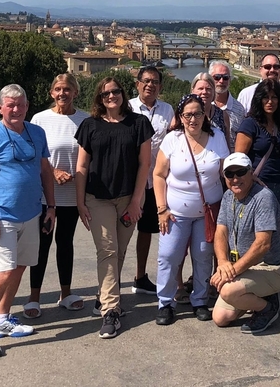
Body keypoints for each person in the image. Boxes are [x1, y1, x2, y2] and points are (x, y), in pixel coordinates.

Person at [0, 84, 55, 358]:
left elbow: (45, 171)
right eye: (10, 104)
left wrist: (50, 206)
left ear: (27, 107)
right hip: (1, 216)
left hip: (31, 213)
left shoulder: (37, 133)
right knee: (3, 272)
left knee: (20, 267)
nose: (15, 109)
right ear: (1, 107)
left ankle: (2, 317)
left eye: (20, 104)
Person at [75, 76, 151, 339]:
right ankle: (111, 311)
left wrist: (136, 200)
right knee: (107, 250)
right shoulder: (90, 125)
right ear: (99, 98)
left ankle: (103, 296)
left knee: (119, 251)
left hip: (129, 197)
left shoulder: (139, 124)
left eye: (116, 92)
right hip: (98, 198)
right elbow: (82, 167)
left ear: (123, 94)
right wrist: (80, 201)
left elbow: (144, 165)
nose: (111, 96)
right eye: (106, 93)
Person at [153, 94, 229, 325]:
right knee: (168, 256)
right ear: (181, 117)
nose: (193, 119)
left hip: (208, 212)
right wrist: (161, 209)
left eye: (197, 113)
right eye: (188, 114)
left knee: (204, 255)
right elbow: (158, 174)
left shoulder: (217, 138)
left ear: (204, 114)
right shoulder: (172, 140)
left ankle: (200, 300)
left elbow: (227, 172)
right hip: (175, 213)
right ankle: (165, 302)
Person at [26, 74, 90, 317]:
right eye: (58, 89)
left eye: (67, 89)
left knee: (65, 243)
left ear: (75, 92)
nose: (62, 94)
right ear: (51, 93)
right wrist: (53, 172)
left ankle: (66, 293)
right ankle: (34, 297)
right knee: (41, 245)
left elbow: (88, 155)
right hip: (44, 195)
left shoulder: (85, 119)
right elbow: (33, 154)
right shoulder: (40, 119)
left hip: (73, 195)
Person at [210, 153, 280, 334]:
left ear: (251, 173)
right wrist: (223, 264)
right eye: (230, 174)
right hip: (245, 268)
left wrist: (231, 272)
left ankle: (268, 307)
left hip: (271, 268)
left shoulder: (263, 198)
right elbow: (221, 231)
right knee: (220, 318)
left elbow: (263, 244)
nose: (235, 178)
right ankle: (257, 295)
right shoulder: (228, 196)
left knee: (228, 291)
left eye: (241, 172)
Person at [128, 66, 175, 298]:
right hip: (129, 181)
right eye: (146, 81)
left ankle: (141, 277)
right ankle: (111, 284)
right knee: (122, 232)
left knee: (148, 230)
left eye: (155, 82)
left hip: (155, 180)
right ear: (137, 84)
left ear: (160, 86)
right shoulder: (127, 107)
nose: (150, 85)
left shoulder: (167, 110)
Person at [235, 79, 280, 222]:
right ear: (259, 99)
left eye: (274, 97)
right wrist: (250, 179)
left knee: (277, 232)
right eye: (266, 97)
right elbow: (239, 159)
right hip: (257, 186)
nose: (270, 101)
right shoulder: (250, 124)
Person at [190, 72, 231, 150]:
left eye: (208, 89)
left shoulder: (223, 115)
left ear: (213, 92)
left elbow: (227, 146)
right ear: (193, 91)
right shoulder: (183, 115)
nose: (204, 92)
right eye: (200, 88)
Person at [210, 60, 246, 146]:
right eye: (217, 77)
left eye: (225, 77)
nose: (221, 81)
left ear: (230, 80)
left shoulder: (239, 109)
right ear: (210, 78)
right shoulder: (202, 106)